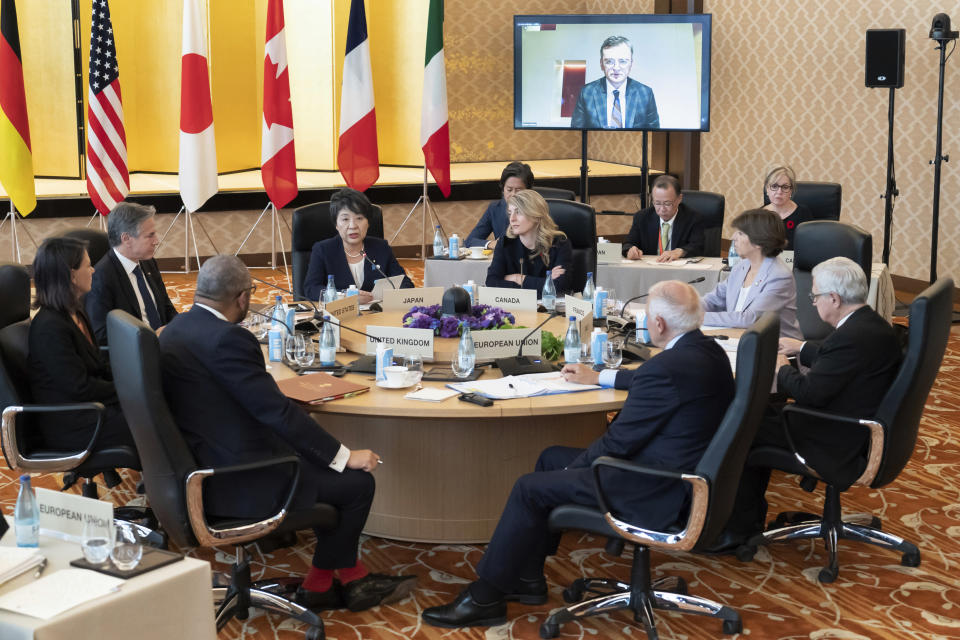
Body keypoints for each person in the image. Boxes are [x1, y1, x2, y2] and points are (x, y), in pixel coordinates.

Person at [421, 281, 734, 628]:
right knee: (549, 457)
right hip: (683, 475)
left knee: (530, 487)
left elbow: (616, 443)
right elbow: (653, 380)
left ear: (658, 324)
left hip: (653, 488)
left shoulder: (667, 369)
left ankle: (485, 597)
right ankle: (528, 579)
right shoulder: (705, 353)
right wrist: (602, 377)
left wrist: (575, 468)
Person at [159, 255, 416, 612]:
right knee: (356, 483)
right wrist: (345, 456)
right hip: (240, 479)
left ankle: (349, 576)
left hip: (202, 463)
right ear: (243, 299)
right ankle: (320, 585)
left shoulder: (175, 329)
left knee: (322, 466)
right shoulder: (228, 339)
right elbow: (275, 412)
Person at [712, 258, 902, 550]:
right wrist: (802, 348)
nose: (813, 303)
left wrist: (780, 367)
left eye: (815, 296)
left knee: (739, 427)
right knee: (758, 413)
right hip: (857, 423)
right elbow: (842, 362)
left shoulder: (850, 337)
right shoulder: (871, 325)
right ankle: (744, 520)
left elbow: (808, 393)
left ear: (834, 299)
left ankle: (737, 530)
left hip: (835, 436)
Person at [27, 236, 136, 452]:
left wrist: (134, 379)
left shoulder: (75, 311)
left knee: (157, 408)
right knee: (156, 422)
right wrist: (128, 390)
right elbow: (80, 387)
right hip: (74, 423)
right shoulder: (49, 328)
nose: (94, 270)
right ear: (72, 275)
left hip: (91, 407)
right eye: (88, 265)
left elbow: (96, 366)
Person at [85, 202, 178, 345]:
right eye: (150, 235)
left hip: (166, 345)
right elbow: (102, 335)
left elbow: (166, 306)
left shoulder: (148, 262)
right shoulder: (101, 278)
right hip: (135, 353)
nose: (156, 241)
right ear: (126, 239)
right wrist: (151, 338)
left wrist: (177, 328)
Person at [701, 208, 802, 340]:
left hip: (775, 349)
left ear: (758, 241)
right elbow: (714, 299)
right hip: (737, 339)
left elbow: (750, 319)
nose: (733, 238)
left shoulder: (779, 276)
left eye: (741, 233)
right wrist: (687, 308)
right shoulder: (741, 266)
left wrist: (698, 317)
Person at [302, 188, 414, 304]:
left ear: (368, 222)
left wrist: (388, 293)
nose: (353, 226)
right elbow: (311, 289)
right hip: (340, 315)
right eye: (345, 219)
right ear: (336, 224)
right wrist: (347, 296)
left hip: (375, 314)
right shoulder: (323, 250)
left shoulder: (381, 247)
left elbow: (405, 283)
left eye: (359, 218)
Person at [485, 189, 572, 295]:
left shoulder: (559, 243)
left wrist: (518, 278)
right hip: (516, 307)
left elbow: (559, 287)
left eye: (518, 212)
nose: (512, 219)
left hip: (548, 309)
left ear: (535, 215)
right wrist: (546, 282)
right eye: (510, 213)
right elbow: (492, 283)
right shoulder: (505, 243)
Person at [570, 36, 659, 129]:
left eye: (623, 61)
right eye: (609, 61)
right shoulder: (587, 92)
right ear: (601, 64)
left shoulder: (645, 93)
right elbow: (576, 134)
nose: (616, 67)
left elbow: (654, 136)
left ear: (631, 64)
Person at [622, 174, 705, 261]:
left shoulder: (693, 218)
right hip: (650, 269)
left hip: (678, 269)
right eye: (657, 203)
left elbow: (698, 246)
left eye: (667, 203)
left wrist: (680, 251)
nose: (662, 209)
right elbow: (628, 243)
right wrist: (630, 250)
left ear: (679, 199)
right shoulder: (642, 217)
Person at [465, 161, 534, 249]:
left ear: (529, 191)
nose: (513, 194)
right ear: (503, 189)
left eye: (518, 190)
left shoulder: (536, 210)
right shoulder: (495, 208)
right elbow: (470, 241)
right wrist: (492, 244)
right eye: (509, 190)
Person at [762, 165, 812, 250]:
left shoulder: (804, 214)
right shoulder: (757, 217)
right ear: (767, 189)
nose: (779, 192)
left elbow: (810, 248)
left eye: (785, 187)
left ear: (791, 190)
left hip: (796, 263)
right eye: (774, 186)